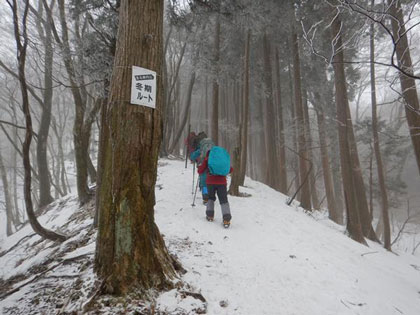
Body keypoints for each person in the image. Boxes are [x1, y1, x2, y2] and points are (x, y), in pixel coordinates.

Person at [198, 150, 232, 227]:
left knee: (211, 198)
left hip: (210, 182)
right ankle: (226, 219)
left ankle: (210, 215)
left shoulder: (208, 159)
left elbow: (200, 170)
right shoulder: (222, 160)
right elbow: (230, 169)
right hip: (222, 182)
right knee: (223, 200)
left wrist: (200, 168)